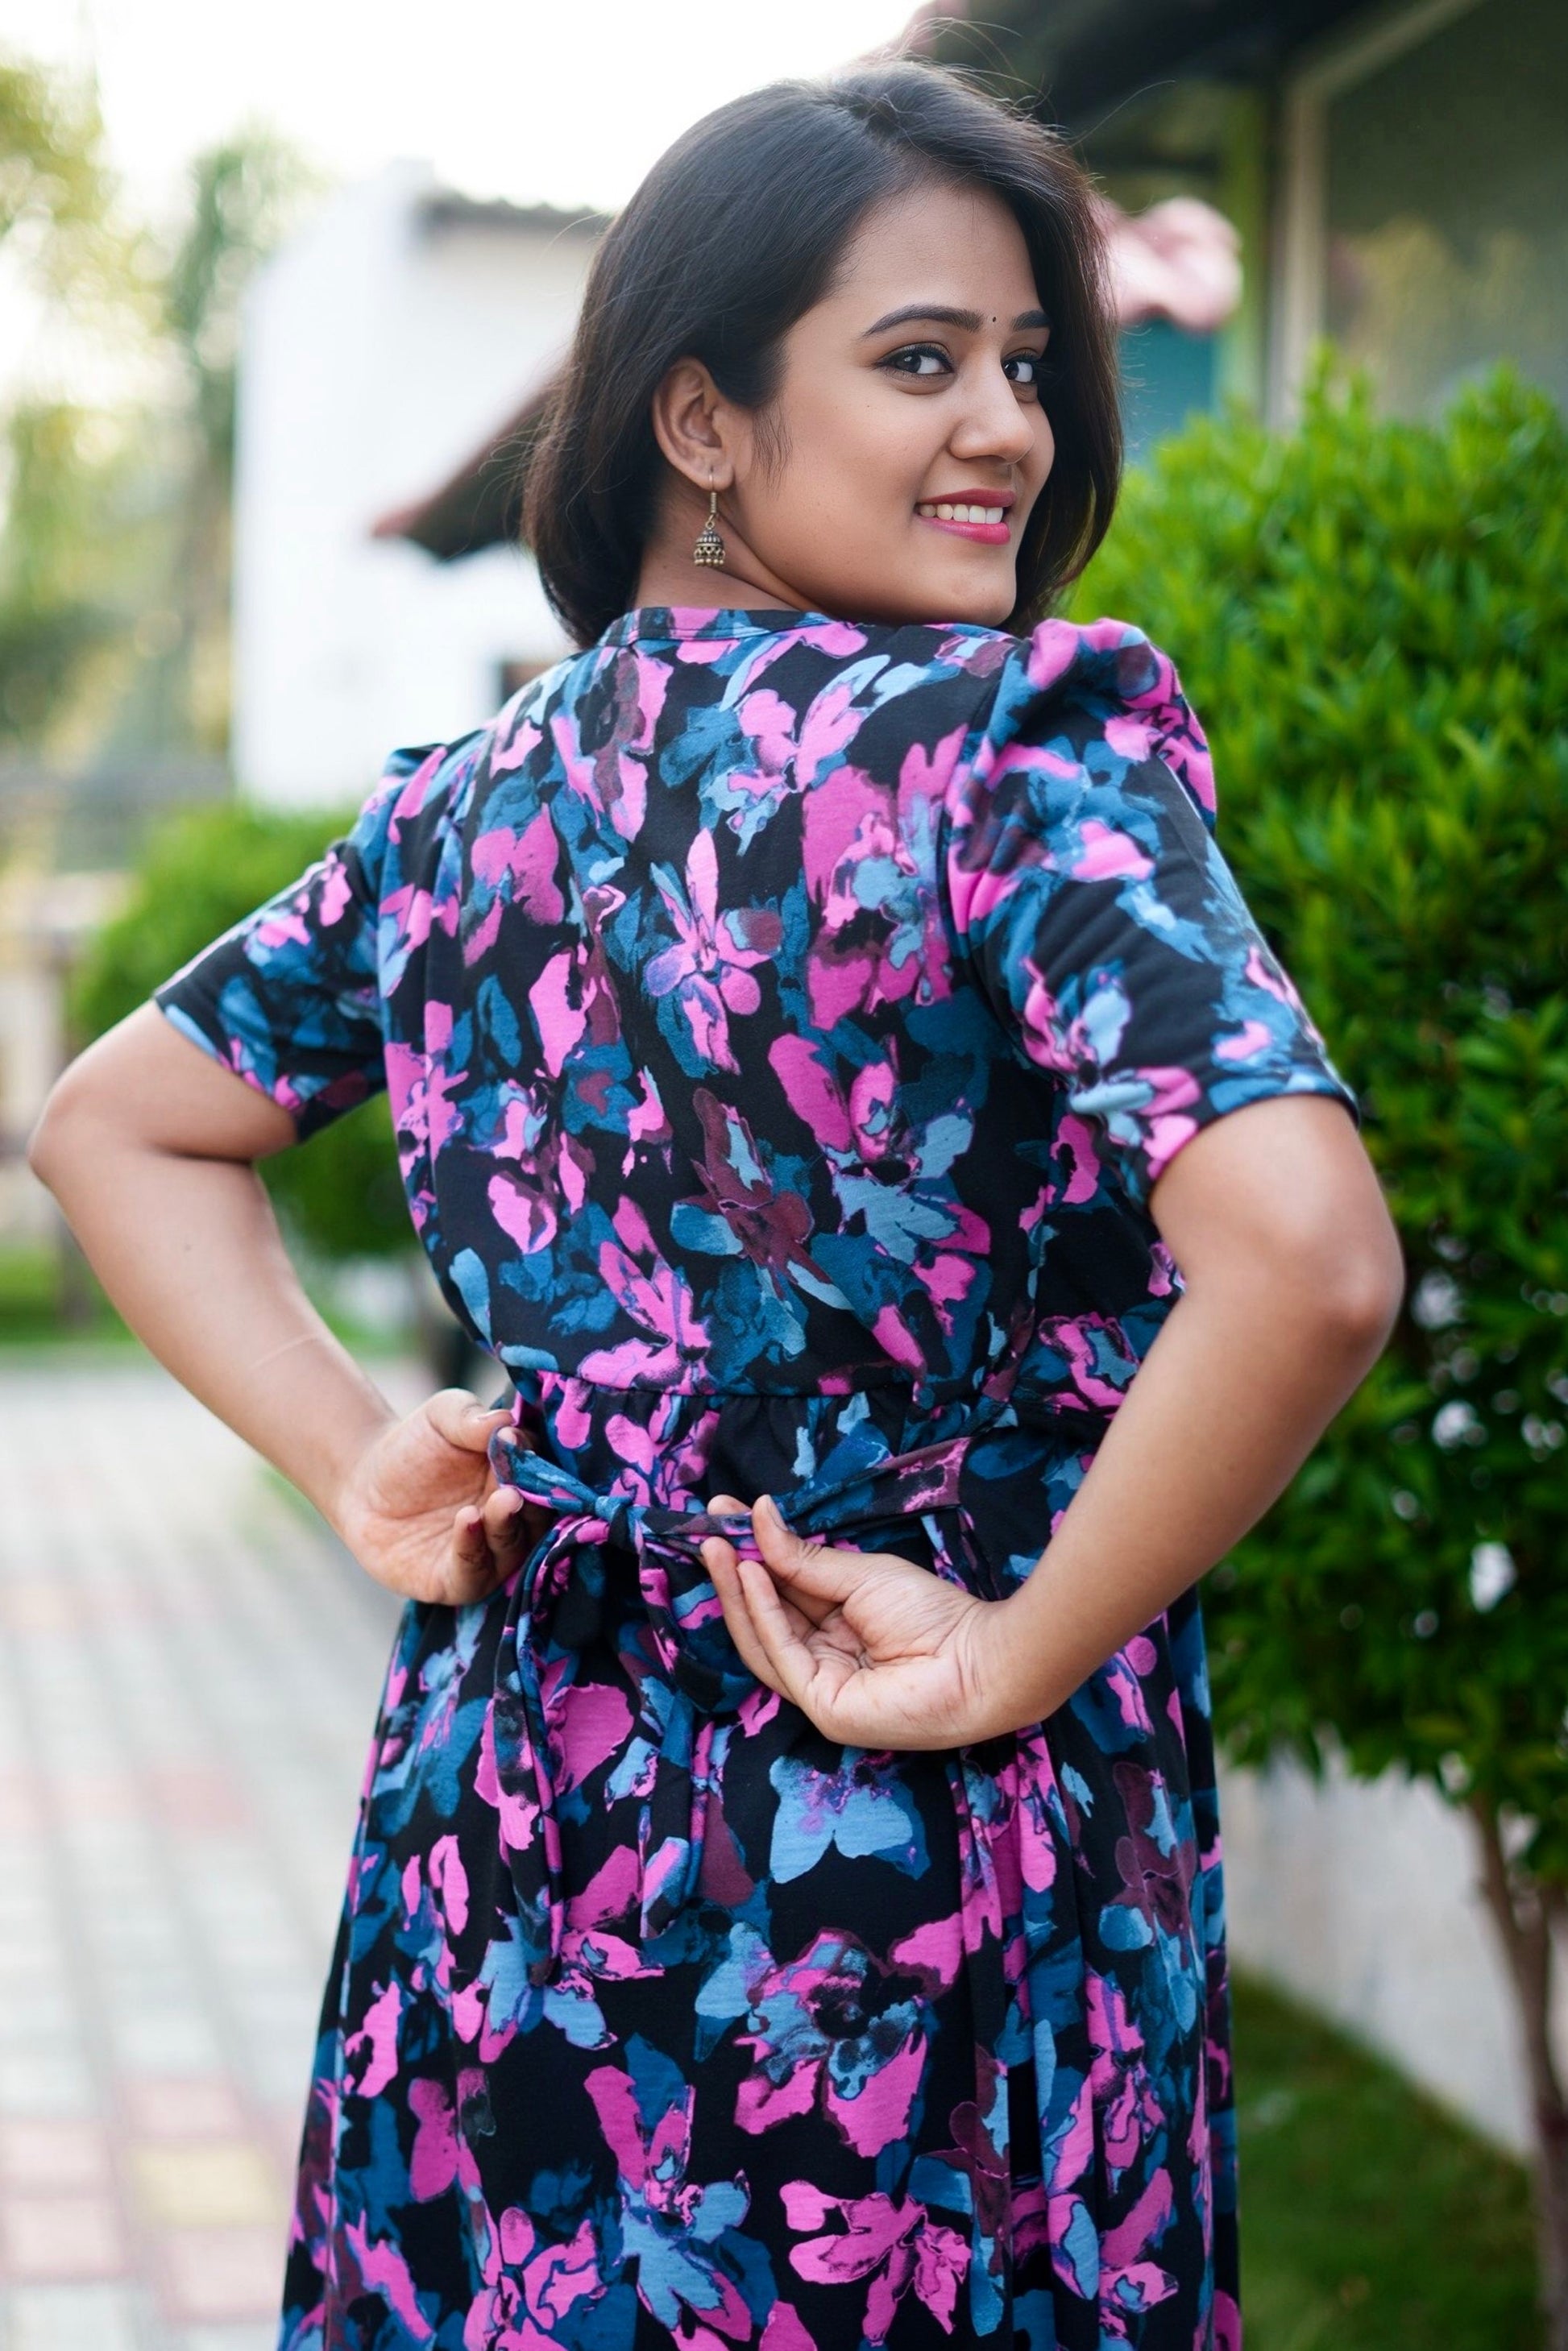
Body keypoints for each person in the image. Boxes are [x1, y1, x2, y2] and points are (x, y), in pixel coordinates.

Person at [30, 60, 1402, 2351]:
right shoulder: (1008, 761)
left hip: (510, 1817)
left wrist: (358, 1458)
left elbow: (114, 1127)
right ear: (698, 417)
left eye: (1026, 364)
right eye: (919, 360)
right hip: (916, 1834)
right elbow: (1314, 1258)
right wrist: (1015, 1650)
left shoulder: (464, 816)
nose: (1010, 428)